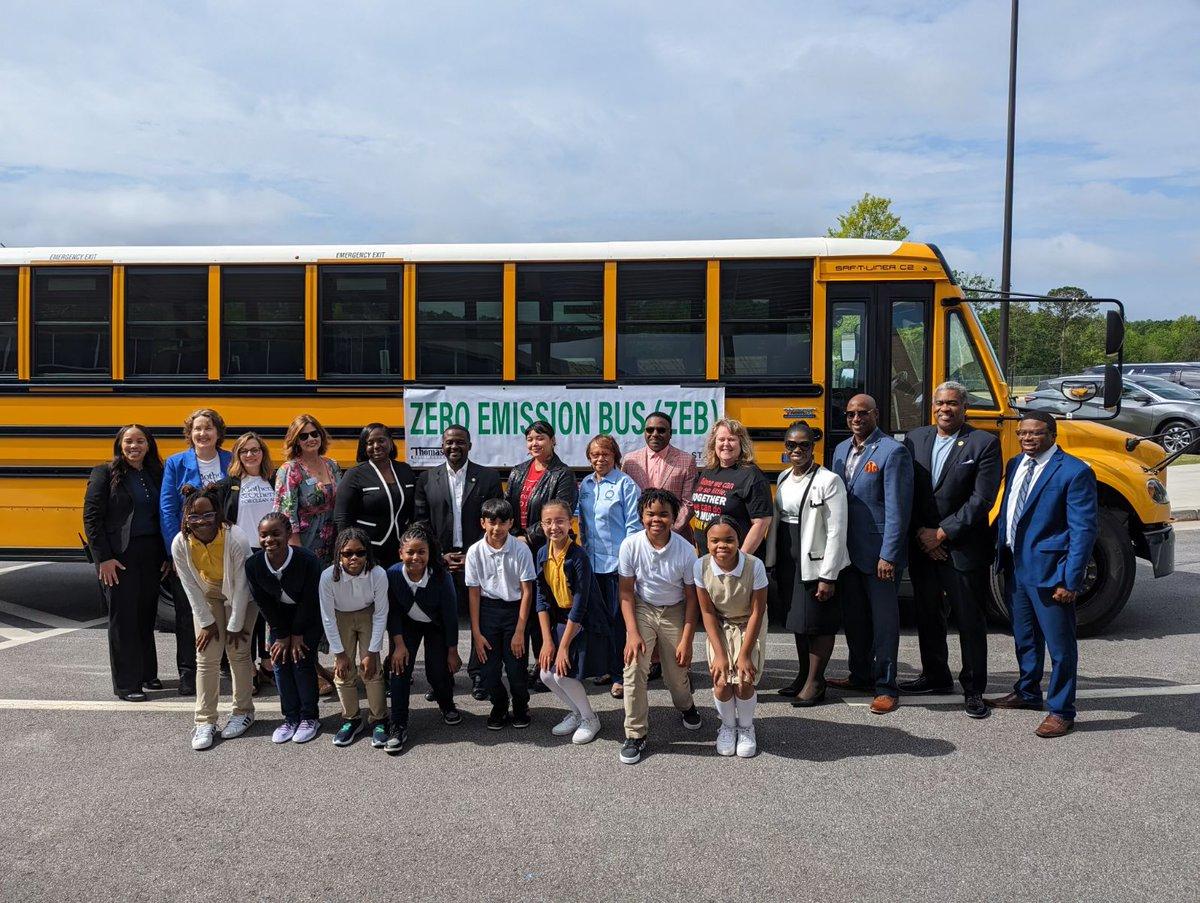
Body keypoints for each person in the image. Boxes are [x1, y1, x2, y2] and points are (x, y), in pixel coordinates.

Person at [987, 412, 1097, 738]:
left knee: (1060, 647)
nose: (1027, 439)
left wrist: (1070, 579)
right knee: (1025, 637)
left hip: (1050, 573)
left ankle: (1061, 710)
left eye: (1035, 434)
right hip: (1015, 567)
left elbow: (1083, 531)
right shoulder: (1015, 464)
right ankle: (1028, 691)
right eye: (1022, 433)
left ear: (1052, 434)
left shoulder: (1074, 472)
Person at [901, 382, 1002, 719]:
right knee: (928, 615)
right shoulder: (916, 438)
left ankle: (973, 689)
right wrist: (921, 533)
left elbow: (981, 499)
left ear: (965, 407)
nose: (946, 409)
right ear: (933, 406)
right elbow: (909, 491)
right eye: (940, 403)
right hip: (922, 544)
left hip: (961, 547)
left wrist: (942, 534)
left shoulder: (984, 442)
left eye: (953, 404)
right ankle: (935, 675)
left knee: (969, 620)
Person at [827, 394, 913, 715]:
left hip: (879, 556)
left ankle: (887, 686)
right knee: (855, 621)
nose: (856, 419)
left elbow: (898, 511)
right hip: (847, 554)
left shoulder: (893, 452)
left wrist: (889, 555)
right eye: (850, 414)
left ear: (876, 414)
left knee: (884, 624)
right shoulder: (839, 450)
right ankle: (859, 674)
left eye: (862, 413)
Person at [414, 424, 504, 699]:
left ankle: (479, 675)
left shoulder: (487, 478)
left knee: (481, 620)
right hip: (440, 560)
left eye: (460, 442)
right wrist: (437, 555)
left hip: (477, 558)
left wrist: (473, 553)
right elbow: (420, 523)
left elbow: (494, 519)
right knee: (441, 622)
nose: (455, 447)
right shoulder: (427, 479)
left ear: (469, 446)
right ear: (442, 446)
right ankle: (443, 678)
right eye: (450, 442)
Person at [764, 421, 849, 706]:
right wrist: (772, 559)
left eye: (803, 445)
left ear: (813, 447)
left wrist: (829, 575)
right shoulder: (786, 475)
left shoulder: (829, 481)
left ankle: (816, 682)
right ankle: (803, 675)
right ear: (785, 448)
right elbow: (777, 521)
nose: (797, 449)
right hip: (790, 559)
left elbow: (837, 530)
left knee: (818, 623)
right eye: (791, 445)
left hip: (815, 561)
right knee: (799, 621)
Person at [83, 424, 169, 701]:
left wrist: (167, 555)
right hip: (119, 556)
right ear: (120, 445)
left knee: (146, 615)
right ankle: (126, 684)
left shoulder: (156, 473)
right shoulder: (105, 473)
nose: (135, 447)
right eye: (129, 442)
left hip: (151, 552)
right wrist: (104, 559)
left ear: (149, 445)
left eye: (140, 441)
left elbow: (165, 513)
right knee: (123, 619)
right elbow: (92, 519)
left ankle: (146, 673)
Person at [617, 488, 702, 766]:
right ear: (641, 516)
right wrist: (632, 633)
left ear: (674, 518)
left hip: (675, 609)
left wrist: (687, 639)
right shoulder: (630, 545)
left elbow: (692, 598)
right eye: (650, 514)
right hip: (642, 606)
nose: (657, 519)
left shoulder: (687, 550)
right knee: (634, 666)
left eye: (664, 514)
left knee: (676, 673)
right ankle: (635, 733)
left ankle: (686, 705)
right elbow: (627, 593)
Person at [170, 486, 255, 751]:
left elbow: (242, 585)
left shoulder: (235, 537)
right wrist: (206, 622)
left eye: (207, 515)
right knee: (206, 656)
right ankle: (205, 720)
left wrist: (234, 624)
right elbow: (189, 586)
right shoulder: (180, 543)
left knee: (238, 651)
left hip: (239, 597)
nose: (202, 522)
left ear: (217, 513)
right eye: (194, 517)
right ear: (186, 518)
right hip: (209, 593)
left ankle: (243, 712)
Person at [160, 407, 231, 696]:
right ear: (190, 434)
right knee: (188, 612)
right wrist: (173, 551)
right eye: (197, 429)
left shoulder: (230, 460)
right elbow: (168, 507)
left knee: (227, 605)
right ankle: (188, 671)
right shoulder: (177, 463)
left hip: (225, 547)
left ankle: (227, 662)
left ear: (218, 433)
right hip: (189, 549)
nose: (203, 434)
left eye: (208, 428)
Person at [245, 512, 324, 744]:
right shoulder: (254, 564)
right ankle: (290, 718)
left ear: (289, 533)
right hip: (279, 621)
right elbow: (263, 602)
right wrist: (281, 635)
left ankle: (309, 717)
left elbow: (311, 600)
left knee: (301, 661)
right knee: (279, 662)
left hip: (307, 618)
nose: (269, 540)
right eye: (264, 535)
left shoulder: (307, 561)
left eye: (276, 534)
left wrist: (297, 633)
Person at [384, 524, 462, 754]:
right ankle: (397, 724)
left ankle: (446, 704)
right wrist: (397, 645)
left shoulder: (441, 577)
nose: (415, 557)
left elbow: (450, 616)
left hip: (436, 625)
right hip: (406, 626)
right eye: (410, 552)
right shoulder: (392, 575)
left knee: (437, 671)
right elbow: (393, 612)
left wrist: (452, 651)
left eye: (421, 552)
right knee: (399, 670)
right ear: (401, 553)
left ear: (430, 554)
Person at [534, 499, 607, 745]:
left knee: (563, 675)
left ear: (570, 523)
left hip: (582, 620)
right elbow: (541, 598)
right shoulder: (542, 554)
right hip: (560, 620)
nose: (554, 527)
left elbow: (580, 603)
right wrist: (547, 641)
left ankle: (590, 718)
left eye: (560, 521)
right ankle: (576, 713)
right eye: (548, 522)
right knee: (545, 675)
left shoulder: (578, 556)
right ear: (541, 525)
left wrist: (562, 647)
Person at [695, 516, 769, 758]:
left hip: (749, 623)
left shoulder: (754, 565)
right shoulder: (701, 566)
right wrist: (719, 654)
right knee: (721, 681)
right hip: (721, 623)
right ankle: (727, 725)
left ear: (739, 540)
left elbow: (758, 611)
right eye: (715, 541)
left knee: (744, 679)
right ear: (707, 542)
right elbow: (707, 612)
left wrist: (745, 654)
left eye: (729, 540)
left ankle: (746, 727)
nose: (722, 546)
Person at [210, 431, 278, 689]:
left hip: (271, 552)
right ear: (238, 455)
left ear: (263, 453)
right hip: (243, 553)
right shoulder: (229, 484)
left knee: (269, 609)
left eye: (255, 449)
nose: (250, 454)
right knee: (246, 610)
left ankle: (269, 662)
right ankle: (247, 666)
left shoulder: (273, 479)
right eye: (245, 451)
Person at [576, 434, 641, 699]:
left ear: (614, 456)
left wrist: (627, 565)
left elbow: (634, 526)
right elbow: (582, 525)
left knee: (618, 622)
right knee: (598, 620)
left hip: (617, 566)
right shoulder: (586, 485)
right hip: (592, 565)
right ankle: (603, 667)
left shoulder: (626, 484)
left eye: (605, 454)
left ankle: (620, 674)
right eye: (594, 455)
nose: (599, 459)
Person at [465, 498, 536, 731]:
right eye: (492, 522)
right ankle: (499, 703)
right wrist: (476, 632)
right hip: (487, 612)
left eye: (503, 522)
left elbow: (527, 592)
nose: (497, 528)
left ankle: (520, 705)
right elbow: (474, 594)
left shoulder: (521, 549)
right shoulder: (475, 551)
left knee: (516, 668)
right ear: (483, 523)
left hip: (515, 613)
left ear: (511, 523)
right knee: (488, 669)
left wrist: (519, 631)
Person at [320, 527, 391, 749]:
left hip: (368, 614)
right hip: (341, 617)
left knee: (372, 670)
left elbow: (381, 614)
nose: (354, 558)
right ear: (338, 554)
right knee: (343, 672)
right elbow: (328, 617)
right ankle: (351, 718)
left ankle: (379, 719)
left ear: (367, 553)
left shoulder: (378, 574)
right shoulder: (328, 577)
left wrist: (371, 652)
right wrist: (339, 654)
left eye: (360, 553)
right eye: (347, 553)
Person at [334, 423, 417, 569]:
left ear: (390, 442)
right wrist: (349, 552)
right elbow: (342, 518)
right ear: (364, 447)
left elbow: (413, 512)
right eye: (370, 443)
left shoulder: (405, 470)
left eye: (381, 440)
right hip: (367, 551)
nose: (376, 446)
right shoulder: (354, 475)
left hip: (400, 550)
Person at [690, 418, 773, 556]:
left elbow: (761, 523)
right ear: (713, 443)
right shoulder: (708, 471)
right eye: (721, 439)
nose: (726, 444)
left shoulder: (752, 475)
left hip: (735, 562)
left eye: (731, 439)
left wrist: (741, 559)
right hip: (706, 559)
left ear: (742, 443)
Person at [275, 413, 343, 565]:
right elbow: (286, 515)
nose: (311, 439)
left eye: (314, 434)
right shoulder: (290, 470)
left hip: (333, 543)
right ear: (296, 441)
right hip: (305, 543)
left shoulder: (332, 465)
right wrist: (297, 553)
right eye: (304, 436)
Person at [621, 411, 699, 542]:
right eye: (650, 430)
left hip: (677, 538)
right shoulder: (630, 461)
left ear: (670, 433)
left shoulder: (687, 461)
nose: (655, 434)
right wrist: (643, 531)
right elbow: (625, 501)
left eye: (661, 430)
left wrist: (668, 530)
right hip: (639, 538)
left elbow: (689, 503)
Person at [503, 420, 578, 555]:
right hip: (515, 545)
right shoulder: (517, 471)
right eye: (530, 440)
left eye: (540, 438)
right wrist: (513, 536)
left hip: (549, 547)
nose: (534, 444)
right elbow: (506, 507)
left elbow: (561, 514)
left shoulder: (563, 474)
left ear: (552, 440)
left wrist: (528, 537)